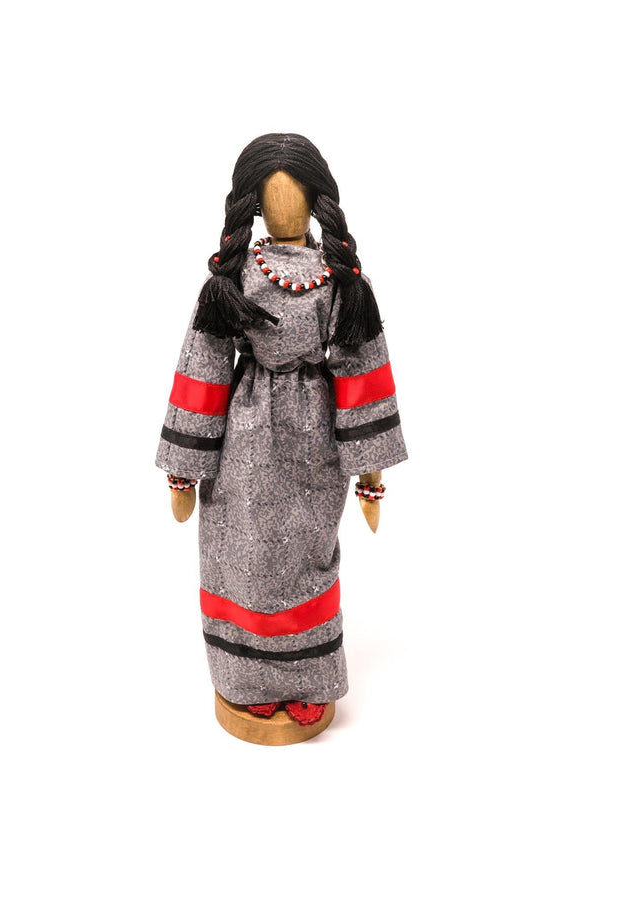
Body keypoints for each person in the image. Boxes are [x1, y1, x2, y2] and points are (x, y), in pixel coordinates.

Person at [156, 134, 407, 727]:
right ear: (254, 203)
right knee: (238, 553)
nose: (285, 207)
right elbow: (204, 364)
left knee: (308, 555)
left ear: (316, 199)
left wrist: (369, 473)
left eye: (294, 193)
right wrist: (184, 469)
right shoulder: (233, 277)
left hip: (316, 438)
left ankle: (307, 674)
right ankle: (243, 678)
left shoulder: (341, 281)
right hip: (241, 438)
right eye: (274, 195)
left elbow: (361, 368)